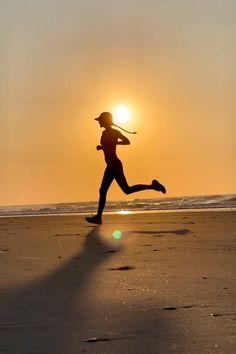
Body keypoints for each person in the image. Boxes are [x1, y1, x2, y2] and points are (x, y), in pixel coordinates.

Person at [85, 112, 166, 225]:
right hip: (110, 165)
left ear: (105, 120)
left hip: (114, 164)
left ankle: (98, 217)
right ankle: (153, 186)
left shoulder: (114, 132)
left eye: (100, 120)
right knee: (125, 190)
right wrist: (102, 147)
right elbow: (108, 147)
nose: (98, 122)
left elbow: (127, 141)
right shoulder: (104, 133)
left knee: (107, 190)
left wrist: (115, 142)